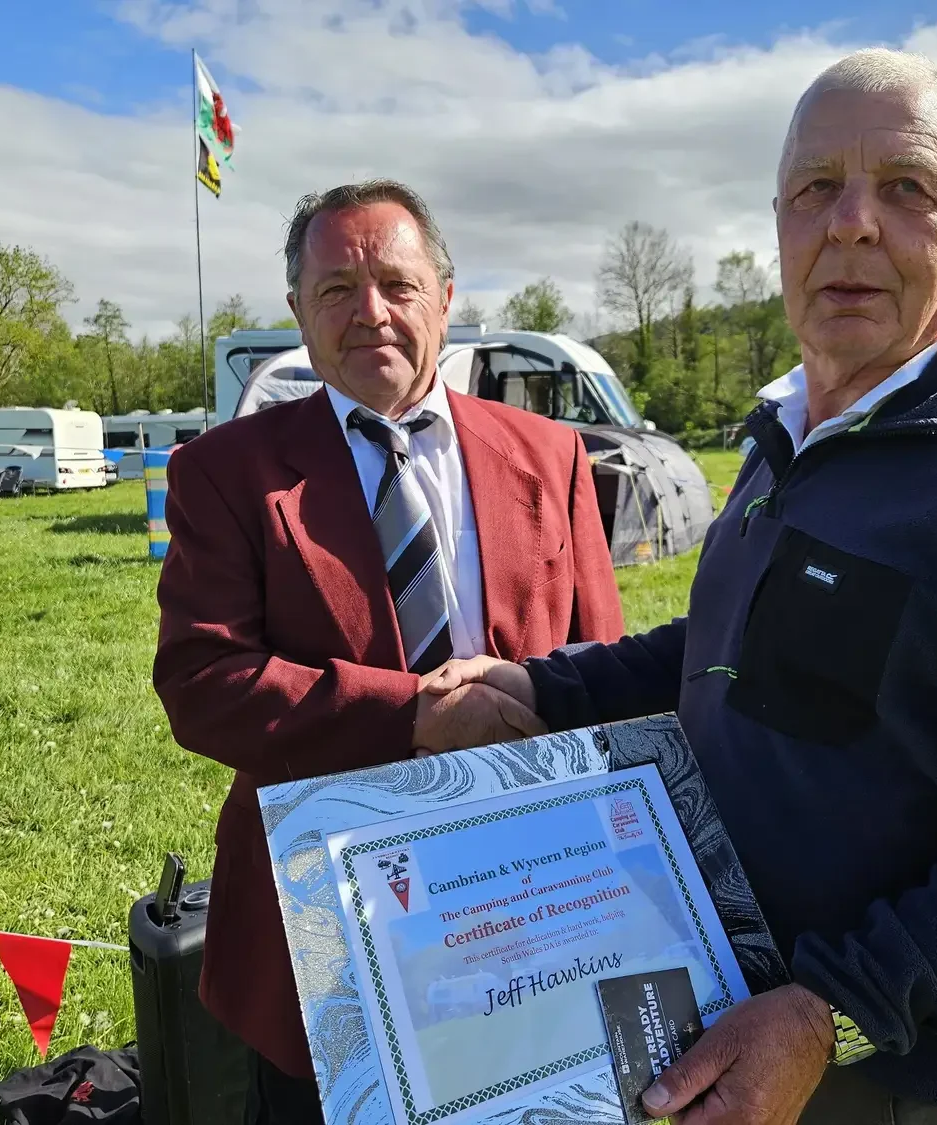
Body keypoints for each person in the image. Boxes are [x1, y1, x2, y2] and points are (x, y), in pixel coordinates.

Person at [426, 49, 937, 1125]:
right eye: (816, 189)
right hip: (713, 1021)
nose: (853, 224)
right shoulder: (791, 432)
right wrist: (545, 688)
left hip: (884, 1085)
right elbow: (728, 647)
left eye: (909, 188)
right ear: (781, 221)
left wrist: (832, 1009)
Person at [152, 179, 625, 1125]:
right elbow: (202, 684)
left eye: (397, 285)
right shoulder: (224, 472)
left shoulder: (552, 454)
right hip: (322, 915)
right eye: (335, 290)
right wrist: (412, 711)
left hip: (531, 896)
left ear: (445, 297)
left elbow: (602, 663)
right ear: (297, 312)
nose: (369, 312)